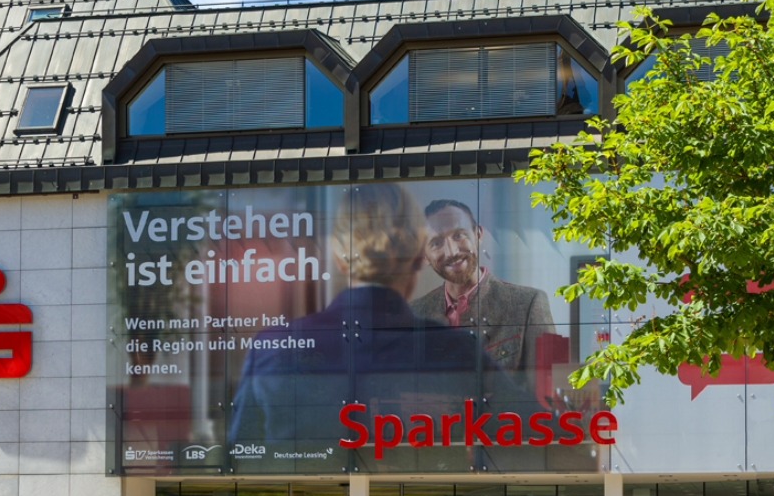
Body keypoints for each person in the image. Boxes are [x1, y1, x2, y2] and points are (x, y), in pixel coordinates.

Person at [229, 184, 535, 469]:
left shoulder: (273, 347)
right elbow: (539, 430)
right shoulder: (456, 351)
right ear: (419, 255)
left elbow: (238, 461)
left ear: (338, 256)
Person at [411, 198, 556, 395]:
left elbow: (549, 398)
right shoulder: (414, 314)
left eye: (459, 235)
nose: (452, 251)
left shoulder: (529, 304)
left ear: (478, 235)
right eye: (436, 243)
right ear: (425, 255)